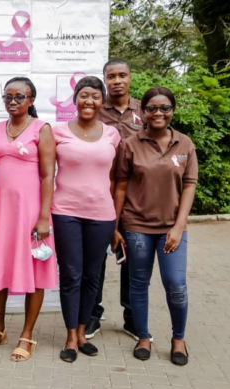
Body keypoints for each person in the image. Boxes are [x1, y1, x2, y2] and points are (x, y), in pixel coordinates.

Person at [0, 77, 58, 362]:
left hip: (31, 213)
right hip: (0, 212)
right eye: (8, 96)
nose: (13, 101)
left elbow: (48, 175)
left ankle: (27, 334)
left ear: (31, 99)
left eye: (19, 96)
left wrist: (44, 217)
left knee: (35, 270)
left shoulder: (41, 129)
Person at [113, 87, 197, 366]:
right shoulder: (129, 145)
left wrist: (179, 226)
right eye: (152, 108)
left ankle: (178, 338)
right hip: (136, 226)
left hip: (172, 228)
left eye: (164, 108)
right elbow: (120, 187)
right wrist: (115, 226)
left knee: (175, 284)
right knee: (138, 284)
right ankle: (143, 337)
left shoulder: (185, 144)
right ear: (143, 111)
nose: (158, 113)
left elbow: (189, 185)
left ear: (172, 110)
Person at [51, 76, 121, 363]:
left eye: (95, 96)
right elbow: (44, 174)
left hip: (101, 215)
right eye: (83, 95)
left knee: (93, 276)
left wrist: (116, 223)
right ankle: (70, 335)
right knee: (71, 274)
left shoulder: (113, 134)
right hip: (65, 212)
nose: (89, 100)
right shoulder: (57, 131)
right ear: (75, 100)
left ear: (102, 101)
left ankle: (82, 332)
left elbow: (114, 178)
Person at [86, 58, 147, 341]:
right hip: (99, 194)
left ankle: (132, 318)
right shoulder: (95, 110)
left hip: (135, 198)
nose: (117, 81)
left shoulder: (144, 110)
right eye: (111, 76)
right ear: (105, 79)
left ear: (130, 77)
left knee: (133, 259)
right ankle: (92, 314)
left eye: (122, 75)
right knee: (95, 258)